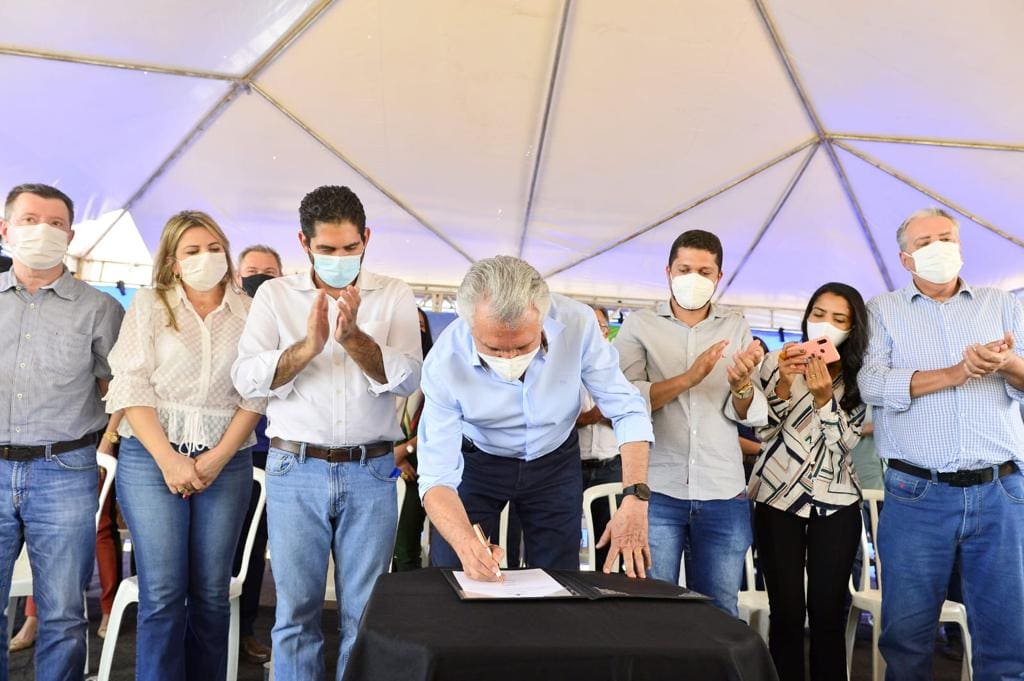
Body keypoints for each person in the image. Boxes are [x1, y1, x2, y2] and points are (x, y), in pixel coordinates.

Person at [232, 185, 422, 680]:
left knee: (364, 613)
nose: (341, 259)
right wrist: (308, 347)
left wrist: (354, 339)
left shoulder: (394, 293)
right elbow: (247, 378)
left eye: (350, 248)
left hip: (372, 468)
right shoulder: (275, 295)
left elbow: (409, 378)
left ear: (367, 239)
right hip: (296, 466)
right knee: (295, 614)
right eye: (327, 249)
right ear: (304, 242)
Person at [858, 207, 1024, 680]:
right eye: (925, 242)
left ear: (961, 245)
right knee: (906, 641)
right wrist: (956, 373)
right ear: (906, 259)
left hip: (1002, 491)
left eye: (945, 237)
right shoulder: (883, 310)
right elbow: (871, 385)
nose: (939, 248)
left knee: (1008, 638)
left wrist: (1006, 363)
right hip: (917, 494)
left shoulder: (1003, 303)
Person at [418, 256, 654, 581]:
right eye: (494, 349)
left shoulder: (578, 324)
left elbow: (627, 408)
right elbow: (436, 477)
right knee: (457, 570)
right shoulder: (444, 361)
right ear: (470, 324)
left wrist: (635, 496)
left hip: (554, 461)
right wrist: (464, 543)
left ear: (543, 316)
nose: (510, 359)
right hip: (478, 462)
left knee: (559, 578)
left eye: (522, 346)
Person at [105, 210, 262, 681]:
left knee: (212, 592)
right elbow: (130, 385)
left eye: (214, 248)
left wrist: (216, 458)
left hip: (227, 460)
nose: (206, 258)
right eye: (192, 251)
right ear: (173, 262)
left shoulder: (250, 312)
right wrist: (169, 460)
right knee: (165, 591)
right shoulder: (151, 304)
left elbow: (257, 392)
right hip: (151, 458)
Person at [0, 183, 124, 679]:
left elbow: (121, 388)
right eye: (29, 220)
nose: (42, 231)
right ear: (5, 229)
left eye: (55, 223)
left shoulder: (100, 309)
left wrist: (107, 443)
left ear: (70, 236)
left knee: (63, 613)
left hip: (65, 469)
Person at [614, 229, 767, 615]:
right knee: (652, 612)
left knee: (719, 613)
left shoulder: (735, 326)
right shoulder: (639, 325)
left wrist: (742, 386)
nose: (694, 279)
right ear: (668, 270)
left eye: (704, 271)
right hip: (658, 491)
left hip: (723, 489)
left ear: (719, 277)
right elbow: (625, 401)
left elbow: (745, 410)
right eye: (685, 269)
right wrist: (688, 378)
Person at [749, 282, 868, 681]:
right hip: (776, 500)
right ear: (806, 316)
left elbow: (845, 445)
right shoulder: (774, 362)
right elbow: (762, 432)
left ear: (852, 329)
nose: (825, 324)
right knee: (786, 612)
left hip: (836, 504)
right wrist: (783, 383)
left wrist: (823, 400)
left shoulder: (860, 377)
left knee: (827, 611)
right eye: (819, 314)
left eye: (839, 319)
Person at [9, 414, 124, 652]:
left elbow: (117, 387)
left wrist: (109, 439)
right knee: (38, 532)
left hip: (92, 435)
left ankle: (109, 609)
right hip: (37, 438)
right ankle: (33, 616)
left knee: (101, 526)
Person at [231, 244, 284, 664]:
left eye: (269, 271)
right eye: (252, 270)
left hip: (268, 452)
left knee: (253, 548)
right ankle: (215, 633)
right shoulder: (226, 317)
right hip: (225, 451)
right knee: (221, 549)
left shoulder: (286, 319)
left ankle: (245, 630)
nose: (259, 277)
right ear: (236, 274)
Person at [576, 305, 622, 570]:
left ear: (607, 331)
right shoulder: (564, 366)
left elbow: (632, 415)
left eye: (600, 326)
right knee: (567, 536)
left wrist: (600, 414)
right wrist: (593, 416)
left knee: (608, 540)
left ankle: (607, 593)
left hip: (610, 465)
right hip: (572, 463)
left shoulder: (621, 364)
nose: (595, 332)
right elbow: (559, 419)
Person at [391, 308, 433, 571]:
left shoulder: (435, 370)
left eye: (420, 325)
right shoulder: (377, 364)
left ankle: (406, 597)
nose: (415, 331)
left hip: (417, 460)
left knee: (406, 542)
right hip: (376, 458)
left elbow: (438, 422)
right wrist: (391, 457)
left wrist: (405, 450)